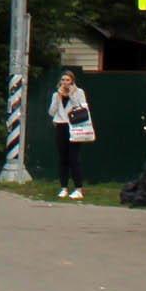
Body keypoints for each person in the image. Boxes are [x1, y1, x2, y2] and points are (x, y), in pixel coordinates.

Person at [46, 70, 94, 199]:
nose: (65, 83)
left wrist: (72, 96)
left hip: (74, 126)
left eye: (67, 80)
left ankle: (78, 189)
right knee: (63, 158)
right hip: (61, 125)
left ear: (72, 81)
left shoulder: (79, 92)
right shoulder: (56, 94)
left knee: (74, 158)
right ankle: (64, 187)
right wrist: (58, 98)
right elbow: (51, 112)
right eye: (63, 80)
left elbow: (82, 109)